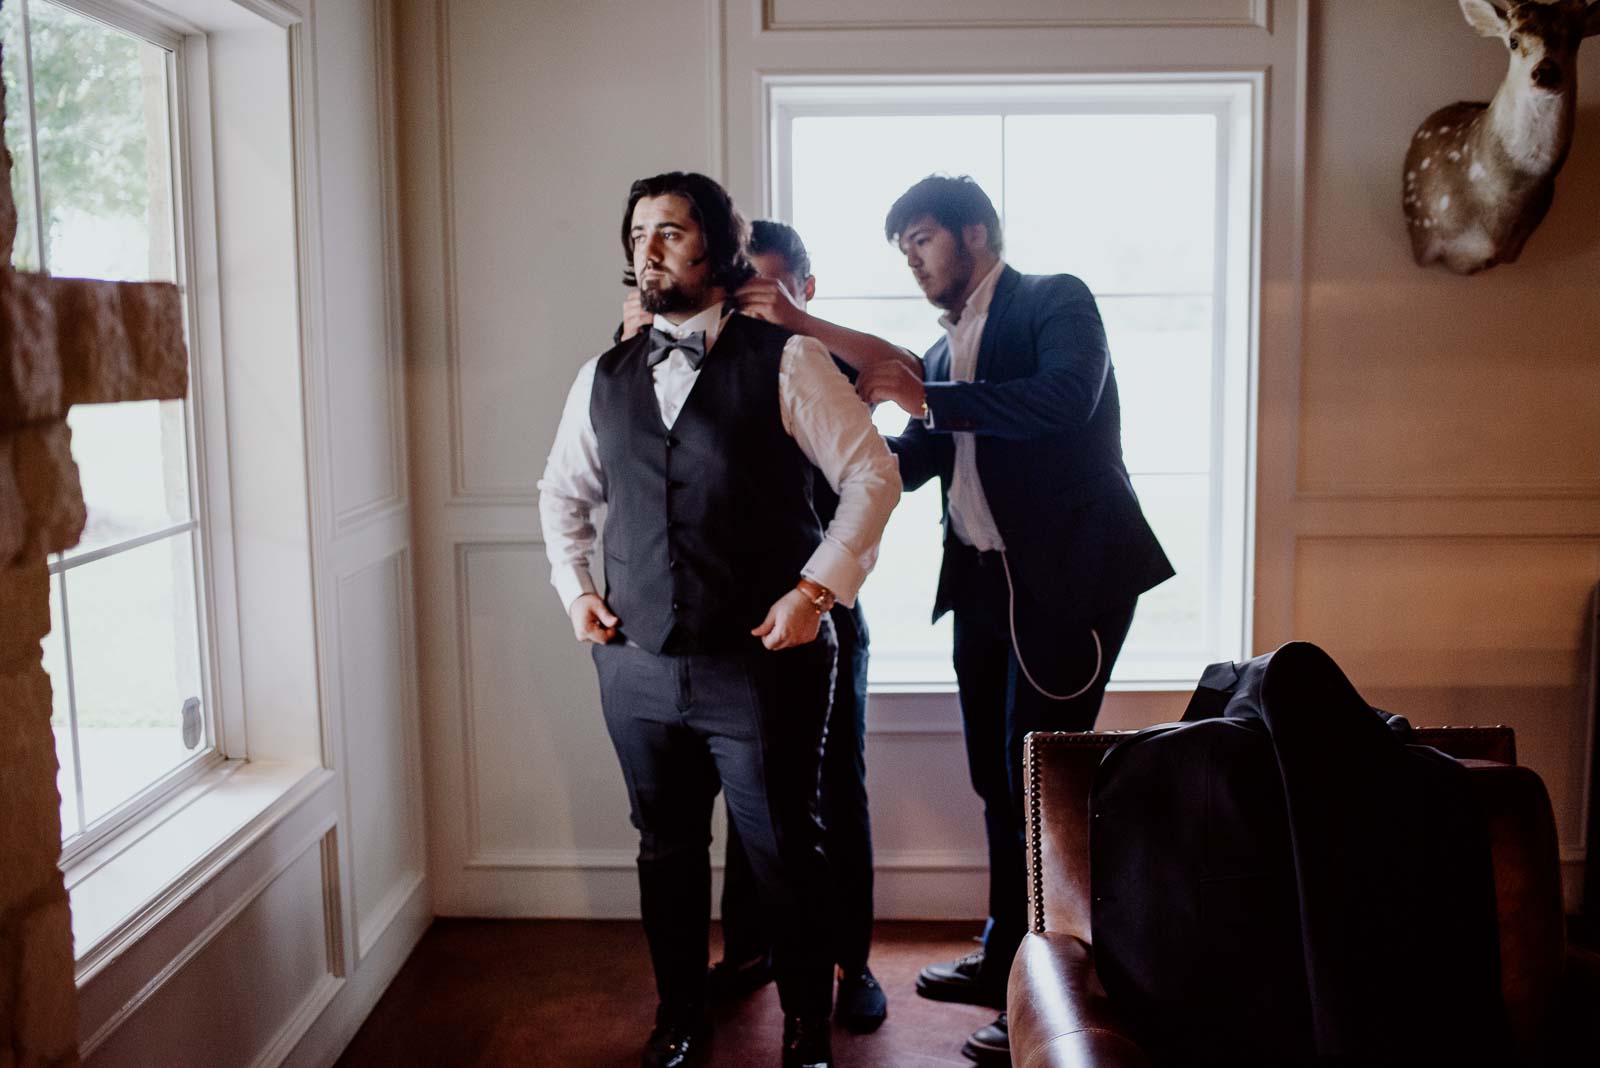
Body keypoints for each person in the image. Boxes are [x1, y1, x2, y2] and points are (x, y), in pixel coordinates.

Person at [539, 171, 899, 1068]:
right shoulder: (602, 374)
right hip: (635, 664)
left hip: (762, 661)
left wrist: (813, 592)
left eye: (669, 231)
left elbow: (872, 476)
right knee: (663, 851)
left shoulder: (787, 360)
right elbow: (562, 494)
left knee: (785, 854)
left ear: (720, 249)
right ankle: (680, 1019)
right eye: (636, 234)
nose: (646, 249)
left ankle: (808, 1031)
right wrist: (572, 585)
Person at [855, 175, 1175, 1067]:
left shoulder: (1056, 301)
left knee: (1044, 789)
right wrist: (840, 451)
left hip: (1070, 581)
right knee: (998, 779)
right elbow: (921, 455)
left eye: (921, 238)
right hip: (985, 587)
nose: (913, 260)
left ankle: (1053, 993)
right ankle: (1006, 953)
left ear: (976, 232)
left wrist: (928, 397)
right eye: (902, 249)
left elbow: (1062, 399)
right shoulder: (942, 347)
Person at [622, 220, 899, 1033]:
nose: (746, 311)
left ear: (800, 289)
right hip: (711, 628)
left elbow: (897, 429)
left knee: (828, 798)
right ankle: (749, 951)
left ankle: (852, 964)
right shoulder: (669, 360)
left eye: (765, 294)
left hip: (821, 612)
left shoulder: (821, 358)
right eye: (738, 294)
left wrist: (795, 325)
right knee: (749, 813)